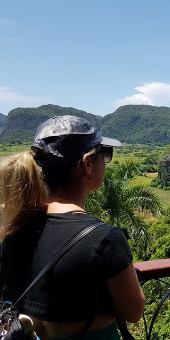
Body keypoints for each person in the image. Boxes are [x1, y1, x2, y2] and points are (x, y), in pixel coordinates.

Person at [0, 115, 145, 339]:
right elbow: (134, 312)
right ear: (87, 164)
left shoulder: (14, 227)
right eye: (105, 154)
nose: (105, 162)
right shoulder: (103, 239)